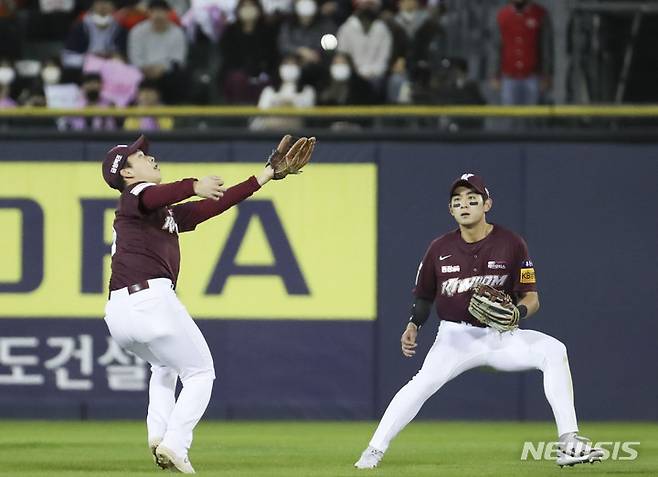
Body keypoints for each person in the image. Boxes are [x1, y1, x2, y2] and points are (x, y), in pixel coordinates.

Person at [354, 173, 605, 469]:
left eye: (472, 200)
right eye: (457, 201)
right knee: (421, 383)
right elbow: (424, 296)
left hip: (502, 335)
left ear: (487, 204)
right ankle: (372, 452)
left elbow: (531, 298)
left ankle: (569, 442)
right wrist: (413, 324)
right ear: (450, 210)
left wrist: (518, 314)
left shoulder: (512, 243)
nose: (464, 205)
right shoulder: (439, 248)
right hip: (455, 338)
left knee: (554, 350)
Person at [101, 134, 315, 473]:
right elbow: (160, 193)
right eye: (139, 156)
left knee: (164, 367)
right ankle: (176, 443)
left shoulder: (156, 213)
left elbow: (211, 206)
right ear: (126, 173)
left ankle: (158, 436)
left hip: (119, 314)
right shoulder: (135, 195)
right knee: (200, 373)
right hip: (151, 301)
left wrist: (264, 175)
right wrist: (193, 184)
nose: (148, 157)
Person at [491, 0, 553, 105]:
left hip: (533, 77)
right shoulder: (502, 15)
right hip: (509, 77)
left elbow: (547, 47)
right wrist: (495, 74)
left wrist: (547, 75)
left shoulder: (540, 14)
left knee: (532, 117)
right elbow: (496, 47)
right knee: (509, 117)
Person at [127, 0, 188, 103]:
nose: (158, 16)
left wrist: (162, 68)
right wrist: (145, 68)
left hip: (166, 73)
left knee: (180, 76)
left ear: (168, 13)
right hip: (142, 71)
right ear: (148, 13)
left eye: (161, 12)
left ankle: (174, 111)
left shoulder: (177, 33)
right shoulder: (137, 31)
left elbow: (178, 59)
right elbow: (135, 57)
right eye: (154, 12)